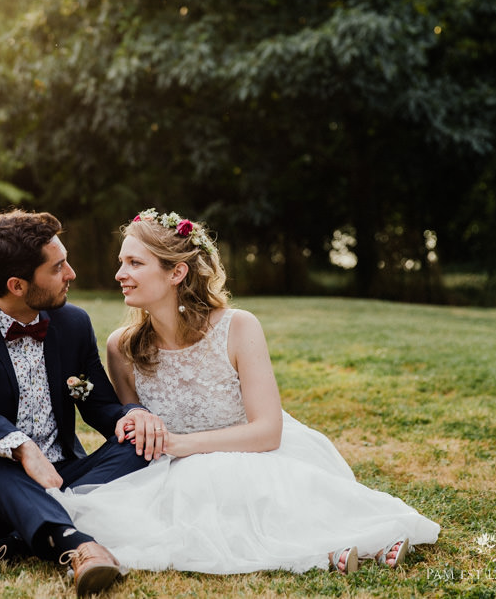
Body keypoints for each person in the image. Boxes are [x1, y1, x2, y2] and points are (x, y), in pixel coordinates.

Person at [49, 208, 440, 575]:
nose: (120, 273)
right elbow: (134, 423)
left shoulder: (237, 328)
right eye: (122, 262)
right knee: (135, 518)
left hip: (255, 453)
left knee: (253, 489)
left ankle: (331, 545)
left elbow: (268, 432)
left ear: (176, 273)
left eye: (134, 263)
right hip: (170, 471)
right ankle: (320, 550)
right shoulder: (123, 347)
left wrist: (182, 445)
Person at [0, 209, 167, 596]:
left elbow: (101, 407)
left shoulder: (73, 324)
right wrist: (21, 446)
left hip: (58, 479)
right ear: (17, 285)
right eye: (58, 268)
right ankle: (77, 546)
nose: (71, 274)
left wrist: (134, 417)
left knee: (142, 446)